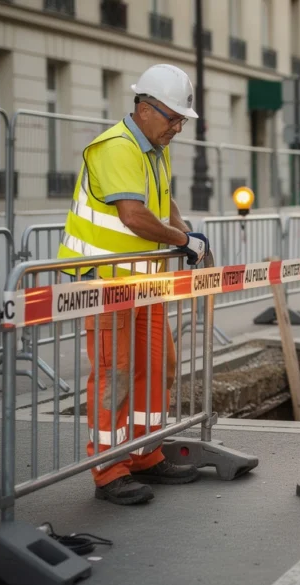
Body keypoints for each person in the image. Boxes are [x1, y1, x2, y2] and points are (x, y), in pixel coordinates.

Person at [56, 64, 211, 505]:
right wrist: (183, 240)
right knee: (116, 373)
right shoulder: (116, 148)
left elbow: (163, 202)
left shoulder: (153, 149)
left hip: (145, 284)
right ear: (144, 109)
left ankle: (144, 453)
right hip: (107, 284)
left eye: (182, 119)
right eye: (173, 117)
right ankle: (109, 468)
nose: (178, 127)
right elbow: (135, 216)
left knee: (157, 366)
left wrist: (188, 235)